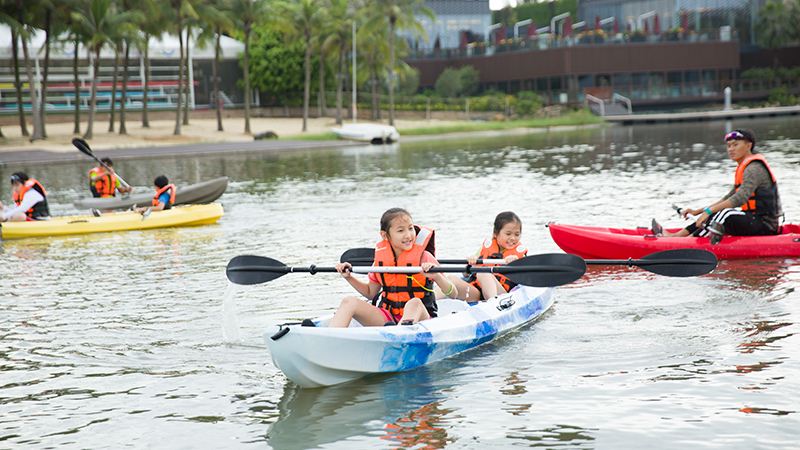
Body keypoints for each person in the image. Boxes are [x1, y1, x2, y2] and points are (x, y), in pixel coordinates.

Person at [325, 208, 457, 328]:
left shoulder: (425, 257)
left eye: (410, 228)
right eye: (400, 230)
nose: (408, 235)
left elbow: (453, 293)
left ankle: (400, 335)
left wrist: (437, 276)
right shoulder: (380, 260)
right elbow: (371, 293)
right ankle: (329, 338)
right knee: (349, 301)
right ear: (384, 235)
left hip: (422, 317)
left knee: (414, 303)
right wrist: (349, 278)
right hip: (388, 317)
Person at [653, 129, 783, 242]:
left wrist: (709, 212)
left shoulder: (754, 168)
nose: (731, 149)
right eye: (729, 146)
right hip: (753, 220)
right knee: (717, 211)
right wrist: (698, 211)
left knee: (724, 213)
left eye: (735, 145)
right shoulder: (745, 168)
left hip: (765, 225)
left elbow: (740, 199)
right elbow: (728, 198)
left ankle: (688, 242)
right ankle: (677, 237)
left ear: (749, 145)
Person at [443, 211, 527, 301]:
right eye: (508, 234)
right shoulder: (486, 247)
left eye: (517, 234)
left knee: (483, 272)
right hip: (477, 293)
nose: (513, 238)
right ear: (495, 233)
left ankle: (493, 305)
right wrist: (471, 264)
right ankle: (430, 307)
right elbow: (465, 274)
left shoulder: (520, 254)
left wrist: (516, 263)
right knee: (451, 279)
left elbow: (527, 278)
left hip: (502, 295)